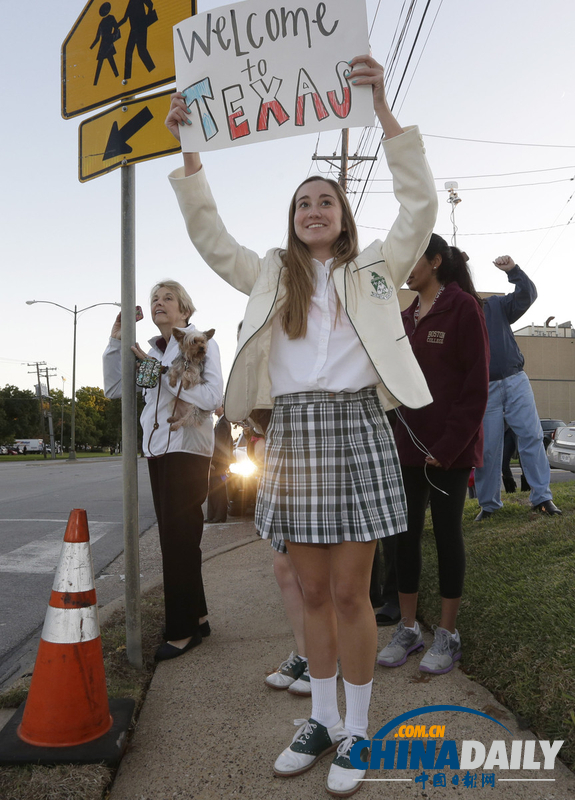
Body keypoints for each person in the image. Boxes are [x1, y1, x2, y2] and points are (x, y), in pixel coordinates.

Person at [165, 54, 437, 796]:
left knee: (350, 594)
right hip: (292, 434)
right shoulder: (269, 274)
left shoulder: (378, 265)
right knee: (310, 593)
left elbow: (417, 203)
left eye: (325, 201)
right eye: (302, 204)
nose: (314, 210)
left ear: (343, 215)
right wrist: (190, 148)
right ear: (291, 220)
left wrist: (379, 105)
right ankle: (319, 717)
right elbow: (210, 237)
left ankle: (358, 730)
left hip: (355, 428)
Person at [378, 235, 489, 675]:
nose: (405, 265)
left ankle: (448, 635)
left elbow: (475, 386)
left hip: (450, 452)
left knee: (446, 536)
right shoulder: (404, 318)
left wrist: (447, 448)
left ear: (436, 261)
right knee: (403, 539)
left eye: (413, 257)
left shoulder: (463, 308)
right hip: (406, 449)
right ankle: (408, 628)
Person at [103, 281, 224, 660]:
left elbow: (212, 396)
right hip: (158, 451)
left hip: (187, 449)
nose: (159, 303)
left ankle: (182, 631)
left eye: (168, 298)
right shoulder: (152, 350)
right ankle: (198, 617)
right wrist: (116, 340)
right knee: (179, 538)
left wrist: (167, 379)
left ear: (185, 309)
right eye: (155, 299)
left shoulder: (200, 342)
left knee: (178, 540)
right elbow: (114, 390)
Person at [473, 256, 562, 520]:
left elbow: (527, 294)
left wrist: (513, 270)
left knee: (532, 437)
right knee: (488, 447)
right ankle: (488, 505)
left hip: (515, 379)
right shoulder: (459, 313)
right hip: (484, 388)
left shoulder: (495, 305)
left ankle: (542, 497)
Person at [206, 406, 233, 523]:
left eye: (218, 407)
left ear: (223, 408)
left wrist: (213, 462)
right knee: (213, 489)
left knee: (218, 489)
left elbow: (219, 445)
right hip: (219, 461)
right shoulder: (221, 422)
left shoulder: (223, 423)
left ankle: (219, 516)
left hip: (219, 462)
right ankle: (213, 516)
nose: (215, 409)